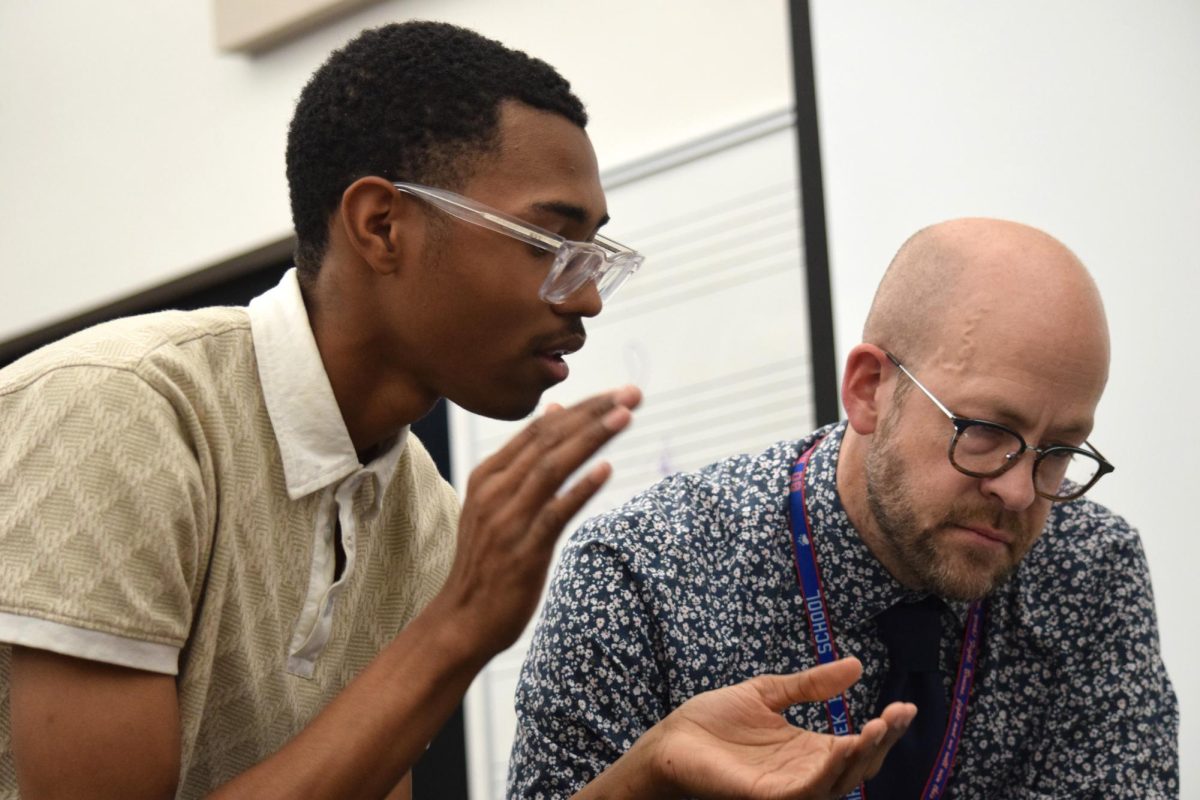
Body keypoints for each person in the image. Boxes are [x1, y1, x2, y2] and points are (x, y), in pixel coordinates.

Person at [0, 21, 914, 799]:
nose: (587, 299)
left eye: (596, 257)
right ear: (381, 226)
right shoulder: (123, 415)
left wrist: (651, 775)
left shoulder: (424, 516)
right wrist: (460, 625)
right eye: (550, 242)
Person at [509, 218, 1180, 799]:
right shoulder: (641, 574)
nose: (1021, 492)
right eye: (985, 432)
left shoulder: (1090, 570)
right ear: (868, 391)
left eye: (1059, 450)